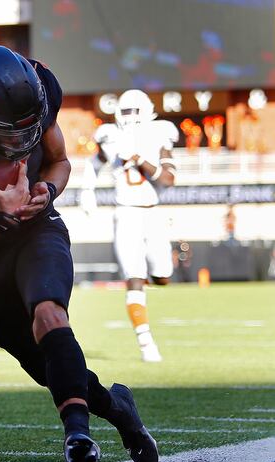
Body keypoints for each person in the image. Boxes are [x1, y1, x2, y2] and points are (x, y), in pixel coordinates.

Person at [0, 45, 158, 462]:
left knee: (49, 314)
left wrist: (47, 189)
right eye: (11, 133)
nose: (20, 143)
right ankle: (118, 410)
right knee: (47, 365)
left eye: (30, 128)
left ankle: (77, 438)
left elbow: (59, 161)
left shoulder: (42, 91)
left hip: (37, 230)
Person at [84, 89, 178, 362]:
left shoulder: (160, 134)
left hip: (153, 213)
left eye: (134, 112)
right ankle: (146, 341)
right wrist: (87, 192)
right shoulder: (110, 136)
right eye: (126, 112)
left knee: (162, 276)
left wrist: (138, 159)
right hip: (125, 213)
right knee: (134, 277)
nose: (130, 118)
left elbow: (168, 179)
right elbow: (94, 163)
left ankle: (150, 282)